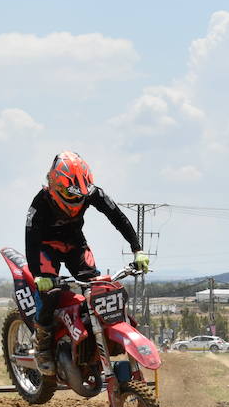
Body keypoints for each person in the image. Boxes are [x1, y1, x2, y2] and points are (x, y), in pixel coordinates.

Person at [25, 151, 148, 374]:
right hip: (46, 246)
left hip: (75, 244)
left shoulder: (92, 193)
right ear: (55, 185)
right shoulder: (39, 203)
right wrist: (38, 275)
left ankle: (92, 338)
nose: (75, 201)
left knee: (97, 289)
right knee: (49, 293)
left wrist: (137, 249)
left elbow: (118, 217)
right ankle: (42, 343)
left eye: (80, 196)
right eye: (69, 195)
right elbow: (31, 241)